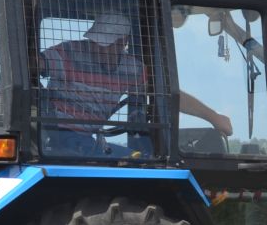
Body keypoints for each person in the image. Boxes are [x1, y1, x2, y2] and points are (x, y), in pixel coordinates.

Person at [40, 12, 231, 157]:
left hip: (89, 140)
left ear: (123, 43)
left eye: (106, 44)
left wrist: (214, 117)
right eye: (96, 41)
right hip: (58, 136)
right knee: (135, 161)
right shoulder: (67, 53)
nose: (97, 48)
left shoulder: (132, 69)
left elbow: (167, 94)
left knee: (142, 157)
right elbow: (33, 64)